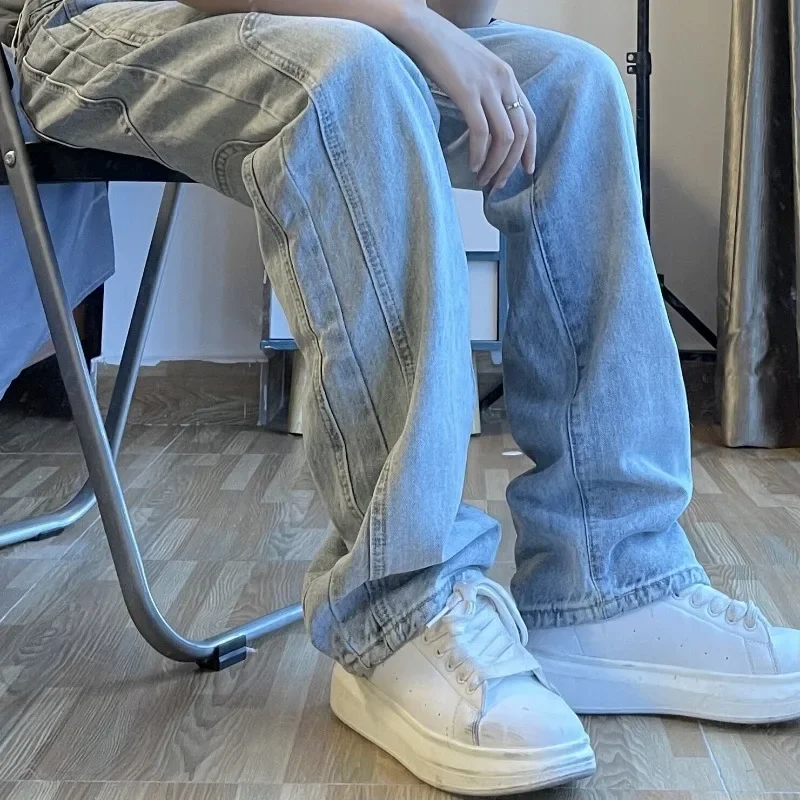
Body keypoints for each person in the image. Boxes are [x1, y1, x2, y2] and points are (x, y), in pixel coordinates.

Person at [13, 0, 800, 794]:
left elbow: (461, 17)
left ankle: (608, 583)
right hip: (86, 23)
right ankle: (398, 607)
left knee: (574, 85)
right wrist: (417, 27)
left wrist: (440, 19)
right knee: (355, 69)